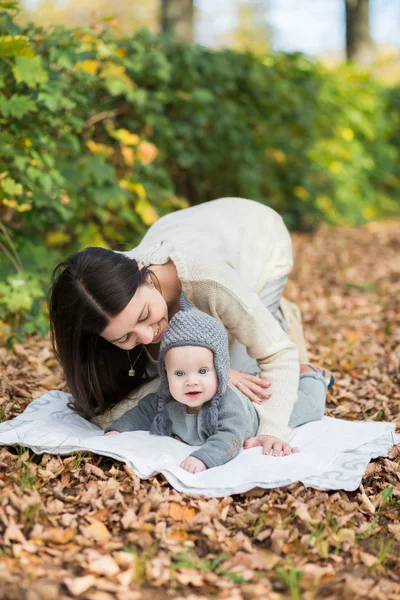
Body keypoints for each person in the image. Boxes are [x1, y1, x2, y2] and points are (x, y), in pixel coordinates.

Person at [49, 197, 334, 457]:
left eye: (145, 314)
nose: (148, 336)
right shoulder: (103, 300)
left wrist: (271, 431)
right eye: (124, 337)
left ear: (142, 271)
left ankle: (276, 321)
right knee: (196, 379)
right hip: (185, 228)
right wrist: (206, 370)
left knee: (239, 394)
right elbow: (108, 410)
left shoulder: (208, 279)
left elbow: (277, 355)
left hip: (256, 238)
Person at [104, 292, 260, 473]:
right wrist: (117, 431)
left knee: (298, 406)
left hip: (255, 405)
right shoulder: (167, 400)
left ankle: (302, 376)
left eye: (202, 371)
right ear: (165, 374)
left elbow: (229, 437)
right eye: (179, 373)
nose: (191, 381)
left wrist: (203, 458)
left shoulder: (229, 405)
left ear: (220, 370)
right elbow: (143, 413)